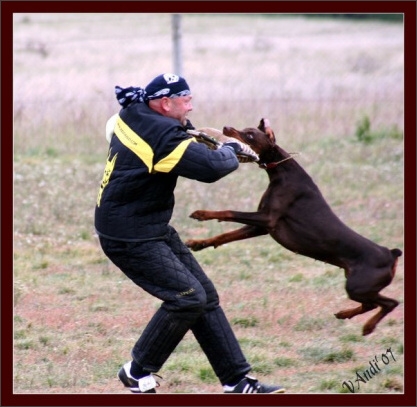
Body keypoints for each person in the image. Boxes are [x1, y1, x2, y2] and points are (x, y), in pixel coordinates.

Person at [94, 73, 285, 394]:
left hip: (147, 224)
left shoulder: (134, 112)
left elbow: (168, 134)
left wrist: (194, 134)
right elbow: (211, 169)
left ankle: (237, 381)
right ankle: (136, 371)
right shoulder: (162, 136)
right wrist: (231, 149)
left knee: (204, 296)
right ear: (165, 103)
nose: (192, 106)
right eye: (186, 100)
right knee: (187, 298)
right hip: (128, 234)